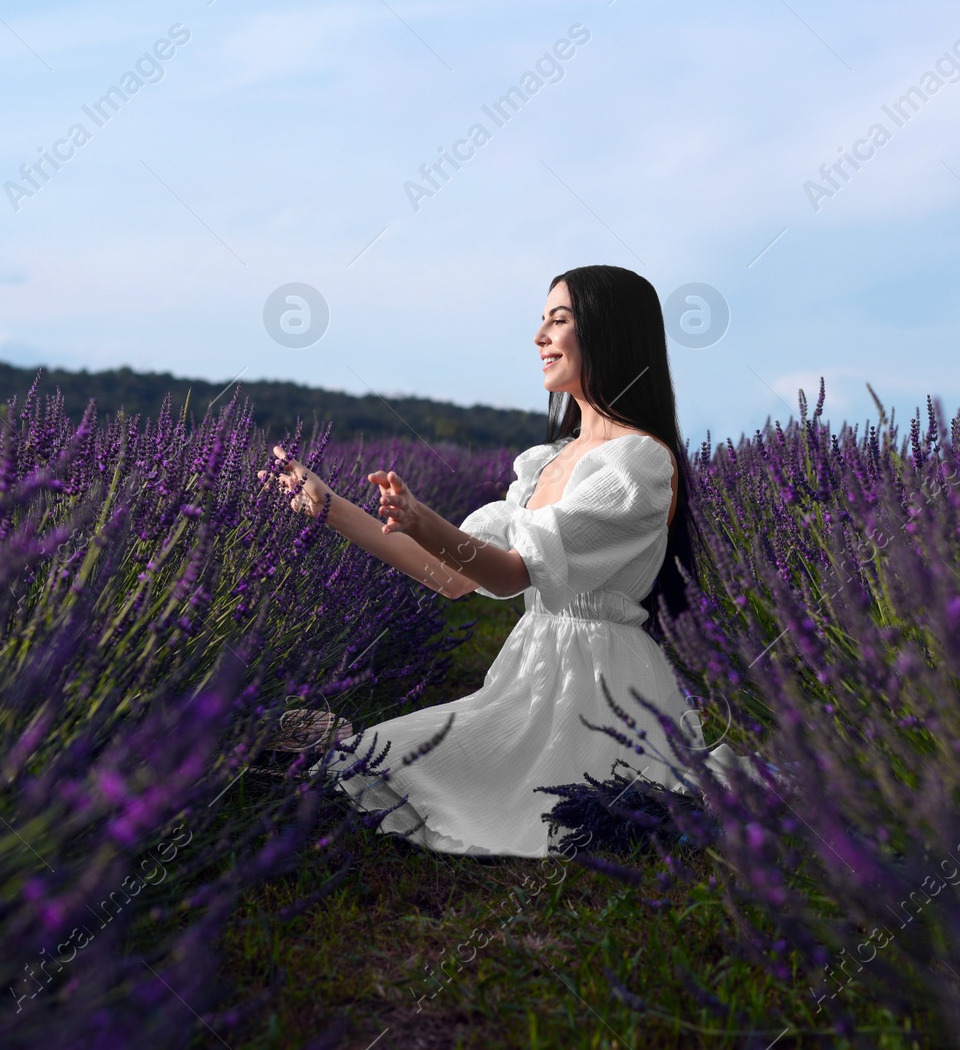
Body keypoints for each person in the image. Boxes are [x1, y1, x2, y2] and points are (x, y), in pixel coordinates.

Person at [260, 265, 727, 858]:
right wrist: (329, 508)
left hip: (602, 689)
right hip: (531, 673)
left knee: (436, 780)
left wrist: (424, 518)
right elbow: (451, 575)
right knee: (380, 759)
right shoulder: (545, 463)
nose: (539, 337)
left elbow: (510, 574)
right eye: (542, 320)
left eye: (559, 320)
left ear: (611, 334)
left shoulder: (636, 463)